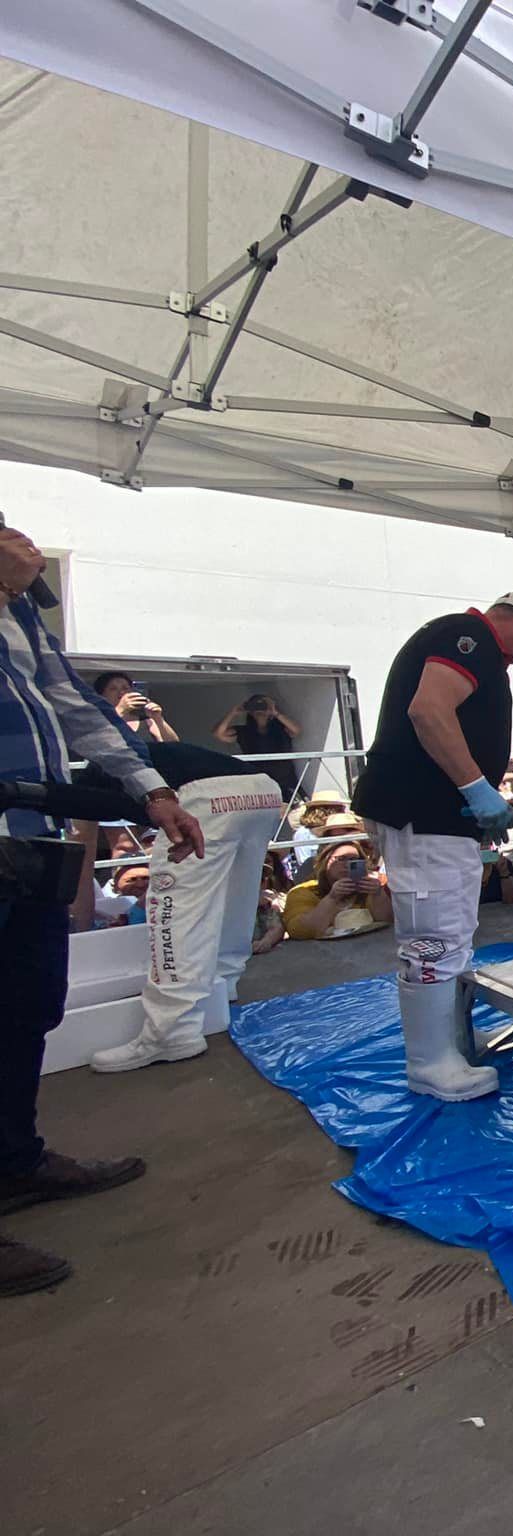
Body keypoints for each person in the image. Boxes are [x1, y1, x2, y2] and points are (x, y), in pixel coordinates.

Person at [1, 519, 205, 1295]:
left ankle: (16, 1161)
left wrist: (148, 790)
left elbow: (77, 707)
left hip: (32, 832)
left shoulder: (19, 610)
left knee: (27, 1007)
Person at [352, 590, 513, 1102]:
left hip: (442, 817)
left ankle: (448, 1040)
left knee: (453, 931)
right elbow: (429, 711)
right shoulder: (464, 639)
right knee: (434, 937)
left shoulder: (477, 650)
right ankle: (429, 1062)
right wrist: (475, 786)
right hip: (425, 814)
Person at [80, 737, 284, 1072]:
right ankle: (223, 985)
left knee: (178, 908)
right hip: (261, 789)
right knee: (237, 893)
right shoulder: (121, 759)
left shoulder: (87, 786)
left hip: (202, 794)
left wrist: (83, 920)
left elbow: (83, 849)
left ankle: (171, 1031)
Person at [282, 818, 395, 939]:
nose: (347, 865)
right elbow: (300, 930)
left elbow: (386, 921)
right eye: (342, 859)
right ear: (326, 862)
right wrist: (332, 898)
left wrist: (378, 894)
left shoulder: (370, 889)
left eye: (353, 860)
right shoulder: (302, 892)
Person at [212, 693, 301, 799]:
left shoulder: (281, 729)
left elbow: (296, 730)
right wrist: (233, 712)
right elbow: (218, 734)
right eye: (255, 706)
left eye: (263, 705)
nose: (260, 709)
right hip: (260, 785)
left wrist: (275, 712)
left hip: (285, 782)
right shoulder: (244, 732)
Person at [95, 672, 179, 745]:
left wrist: (158, 719)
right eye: (113, 689)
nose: (121, 692)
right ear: (102, 696)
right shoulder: (97, 719)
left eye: (125, 688)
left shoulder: (147, 721)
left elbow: (173, 745)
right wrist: (121, 710)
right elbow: (96, 742)